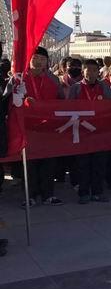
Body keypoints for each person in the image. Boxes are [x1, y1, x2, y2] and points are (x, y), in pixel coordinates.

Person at [7, 47, 65, 206]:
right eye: (36, 57)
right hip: (28, 128)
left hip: (48, 128)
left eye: (42, 58)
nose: (39, 61)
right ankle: (30, 196)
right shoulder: (20, 79)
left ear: (47, 62)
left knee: (48, 162)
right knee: (30, 163)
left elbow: (62, 100)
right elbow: (10, 100)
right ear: (29, 59)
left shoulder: (53, 80)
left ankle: (48, 194)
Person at [68, 59, 111, 203]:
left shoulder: (104, 86)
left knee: (99, 163)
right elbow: (69, 108)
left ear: (98, 71)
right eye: (88, 69)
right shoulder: (75, 88)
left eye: (95, 69)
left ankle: (98, 192)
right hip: (82, 131)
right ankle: (83, 192)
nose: (91, 72)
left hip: (100, 131)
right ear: (83, 71)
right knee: (83, 164)